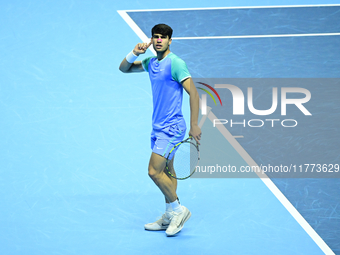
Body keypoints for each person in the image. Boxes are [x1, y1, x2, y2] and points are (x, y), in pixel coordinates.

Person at [119, 24, 201, 236]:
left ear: (169, 41)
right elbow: (124, 68)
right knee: (167, 170)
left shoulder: (176, 63)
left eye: (163, 38)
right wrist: (134, 52)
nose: (158, 41)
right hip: (157, 127)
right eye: (155, 37)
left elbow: (194, 93)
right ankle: (169, 215)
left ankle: (178, 210)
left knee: (154, 171)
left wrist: (194, 125)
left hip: (171, 128)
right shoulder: (151, 62)